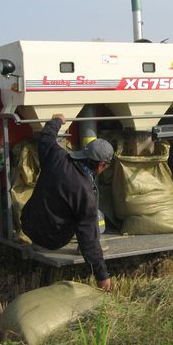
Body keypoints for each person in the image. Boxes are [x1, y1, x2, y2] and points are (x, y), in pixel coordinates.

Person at [21, 114, 113, 291]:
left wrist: (56, 121)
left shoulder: (57, 156)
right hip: (52, 240)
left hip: (27, 223)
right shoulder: (86, 195)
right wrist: (102, 275)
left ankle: (37, 241)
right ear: (101, 165)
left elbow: (46, 138)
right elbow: (89, 239)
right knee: (88, 221)